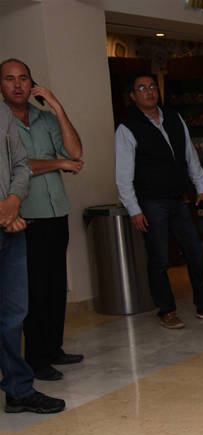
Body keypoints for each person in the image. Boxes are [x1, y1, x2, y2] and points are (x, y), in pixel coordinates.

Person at [115, 73, 203, 329]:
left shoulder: (173, 117)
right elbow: (123, 175)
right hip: (151, 202)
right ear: (133, 96)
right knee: (159, 259)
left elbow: (190, 155)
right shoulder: (127, 128)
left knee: (196, 252)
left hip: (180, 199)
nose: (149, 91)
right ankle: (166, 310)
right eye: (142, 88)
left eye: (152, 87)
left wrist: (201, 187)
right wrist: (134, 209)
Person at [0, 59, 84, 382]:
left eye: (23, 79)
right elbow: (22, 166)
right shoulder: (4, 121)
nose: (18, 85)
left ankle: (53, 348)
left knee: (54, 284)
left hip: (55, 210)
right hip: (24, 215)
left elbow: (76, 152)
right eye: (10, 79)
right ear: (2, 85)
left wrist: (58, 108)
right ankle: (35, 358)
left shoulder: (45, 118)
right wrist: (58, 162)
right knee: (32, 289)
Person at [0, 101, 63, 413]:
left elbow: (21, 164)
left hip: (10, 224)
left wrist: (12, 202)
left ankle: (18, 391)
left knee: (13, 315)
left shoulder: (2, 114)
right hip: (6, 219)